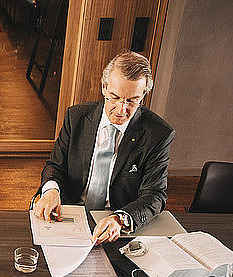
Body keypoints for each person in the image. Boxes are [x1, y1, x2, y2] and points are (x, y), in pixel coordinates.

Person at [32, 50, 175, 245]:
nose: (122, 109)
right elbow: (55, 166)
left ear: (143, 95)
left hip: (116, 222)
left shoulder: (158, 133)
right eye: (115, 97)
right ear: (104, 88)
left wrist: (121, 219)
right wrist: (51, 191)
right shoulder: (76, 117)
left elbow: (154, 195)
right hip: (70, 211)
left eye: (132, 100)